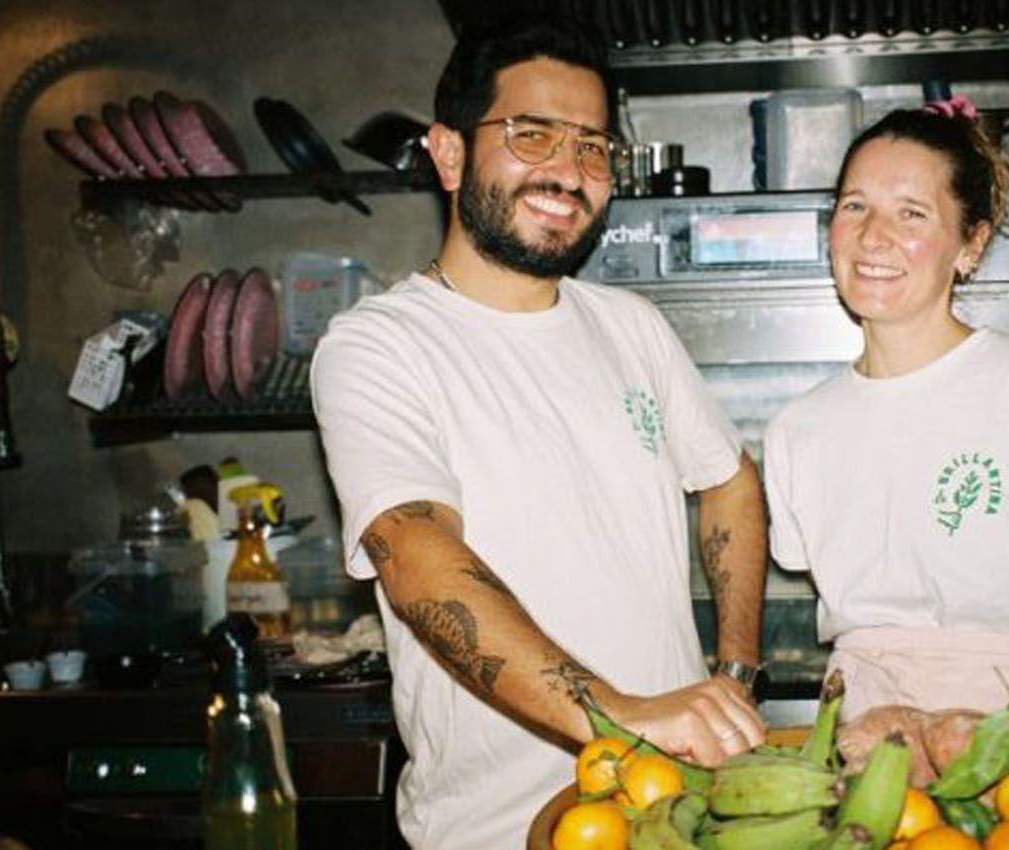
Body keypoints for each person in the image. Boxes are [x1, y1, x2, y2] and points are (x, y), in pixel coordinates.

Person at [310, 19, 768, 848]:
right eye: (532, 134)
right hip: (491, 830)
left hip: (673, 815)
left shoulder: (632, 327)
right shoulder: (378, 345)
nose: (569, 170)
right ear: (449, 155)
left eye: (594, 147)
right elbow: (412, 550)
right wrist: (610, 714)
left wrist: (733, 671)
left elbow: (730, 480)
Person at [762, 103, 1009, 720]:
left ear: (970, 244)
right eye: (855, 206)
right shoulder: (797, 431)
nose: (873, 236)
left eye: (912, 213)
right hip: (869, 762)